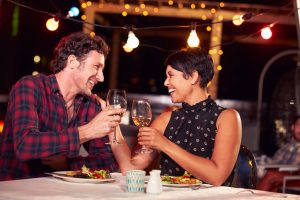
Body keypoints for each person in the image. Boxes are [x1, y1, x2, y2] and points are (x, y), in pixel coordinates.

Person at [0, 32, 125, 180]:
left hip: (59, 192)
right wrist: (88, 131)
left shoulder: (89, 104)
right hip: (15, 189)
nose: (101, 77)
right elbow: (25, 145)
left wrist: (68, 164)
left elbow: (109, 162)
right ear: (72, 62)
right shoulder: (30, 86)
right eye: (96, 67)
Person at [113, 48, 242, 186]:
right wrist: (113, 128)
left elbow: (217, 176)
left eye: (171, 75)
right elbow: (130, 169)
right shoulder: (165, 119)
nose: (165, 82)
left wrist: (164, 144)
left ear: (193, 77)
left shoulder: (227, 117)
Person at [257, 115, 300, 192]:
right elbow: (275, 161)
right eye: (299, 125)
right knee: (249, 168)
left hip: (295, 176)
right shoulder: (287, 146)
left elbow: (294, 168)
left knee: (270, 176)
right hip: (281, 172)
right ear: (292, 127)